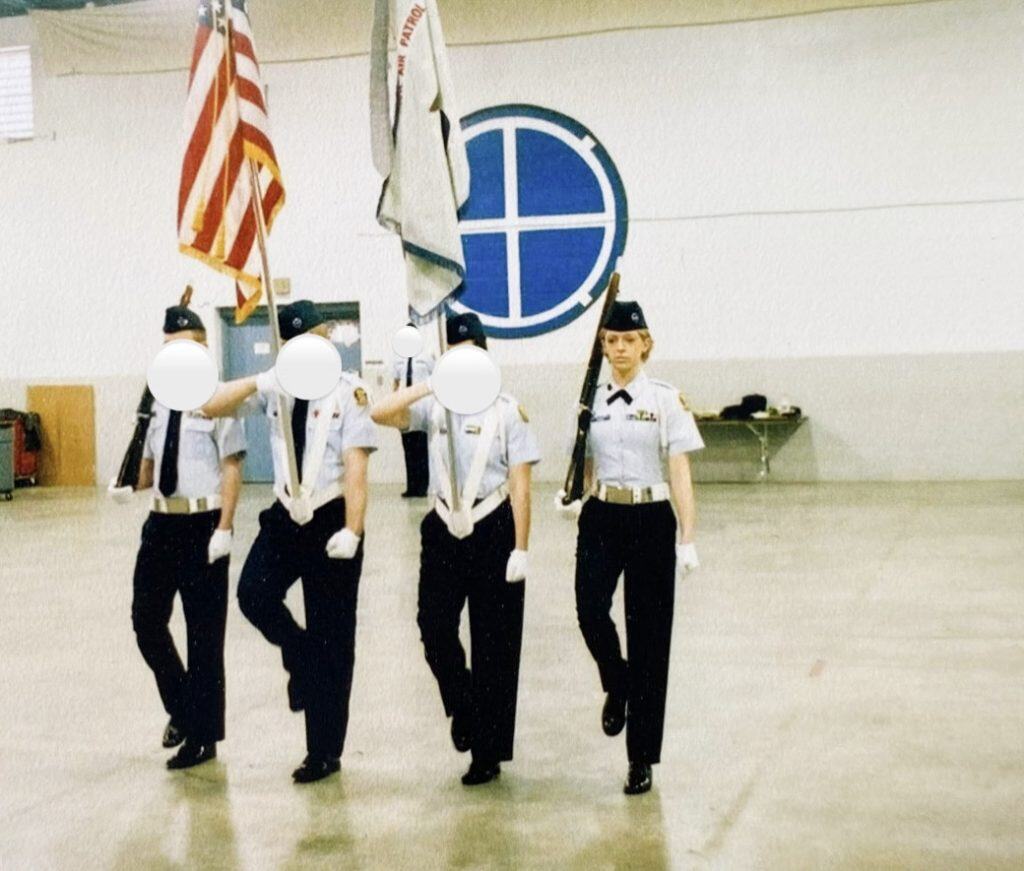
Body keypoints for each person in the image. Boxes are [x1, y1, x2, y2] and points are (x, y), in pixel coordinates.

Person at [200, 300, 378, 784]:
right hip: (285, 512)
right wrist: (262, 379)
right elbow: (208, 404)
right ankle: (297, 654)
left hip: (331, 515)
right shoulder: (276, 388)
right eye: (298, 343)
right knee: (252, 593)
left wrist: (353, 531)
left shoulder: (349, 391)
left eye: (317, 338)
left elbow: (358, 468)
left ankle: (324, 751)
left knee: (334, 638)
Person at [370, 312, 540, 786]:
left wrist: (521, 548)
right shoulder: (435, 406)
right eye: (454, 355)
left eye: (470, 354)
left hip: (494, 526)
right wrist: (429, 385)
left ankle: (487, 752)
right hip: (443, 526)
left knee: (494, 644)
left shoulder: (507, 410)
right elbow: (381, 413)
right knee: (433, 625)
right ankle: (462, 704)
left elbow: (522, 485)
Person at [557, 300, 702, 795]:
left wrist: (687, 538)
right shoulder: (588, 401)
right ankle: (616, 683)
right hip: (602, 516)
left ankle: (641, 758)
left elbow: (680, 471)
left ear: (645, 344)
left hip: (651, 519)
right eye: (611, 341)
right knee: (589, 610)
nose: (620, 349)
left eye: (629, 340)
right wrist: (574, 495)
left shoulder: (665, 400)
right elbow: (587, 460)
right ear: (603, 346)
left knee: (649, 638)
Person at [108, 305, 246, 770]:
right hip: (161, 524)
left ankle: (203, 737)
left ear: (202, 346)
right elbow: (150, 468)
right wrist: (126, 483)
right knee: (145, 621)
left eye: (183, 347)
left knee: (204, 637)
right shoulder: (157, 399)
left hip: (203, 525)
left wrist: (225, 528)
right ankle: (184, 709)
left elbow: (232, 465)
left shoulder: (218, 396)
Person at [392, 325, 434, 498]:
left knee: (422, 449)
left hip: (423, 408)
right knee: (408, 449)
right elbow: (395, 383)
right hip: (405, 409)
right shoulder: (399, 359)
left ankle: (422, 488)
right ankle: (412, 487)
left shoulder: (426, 357)